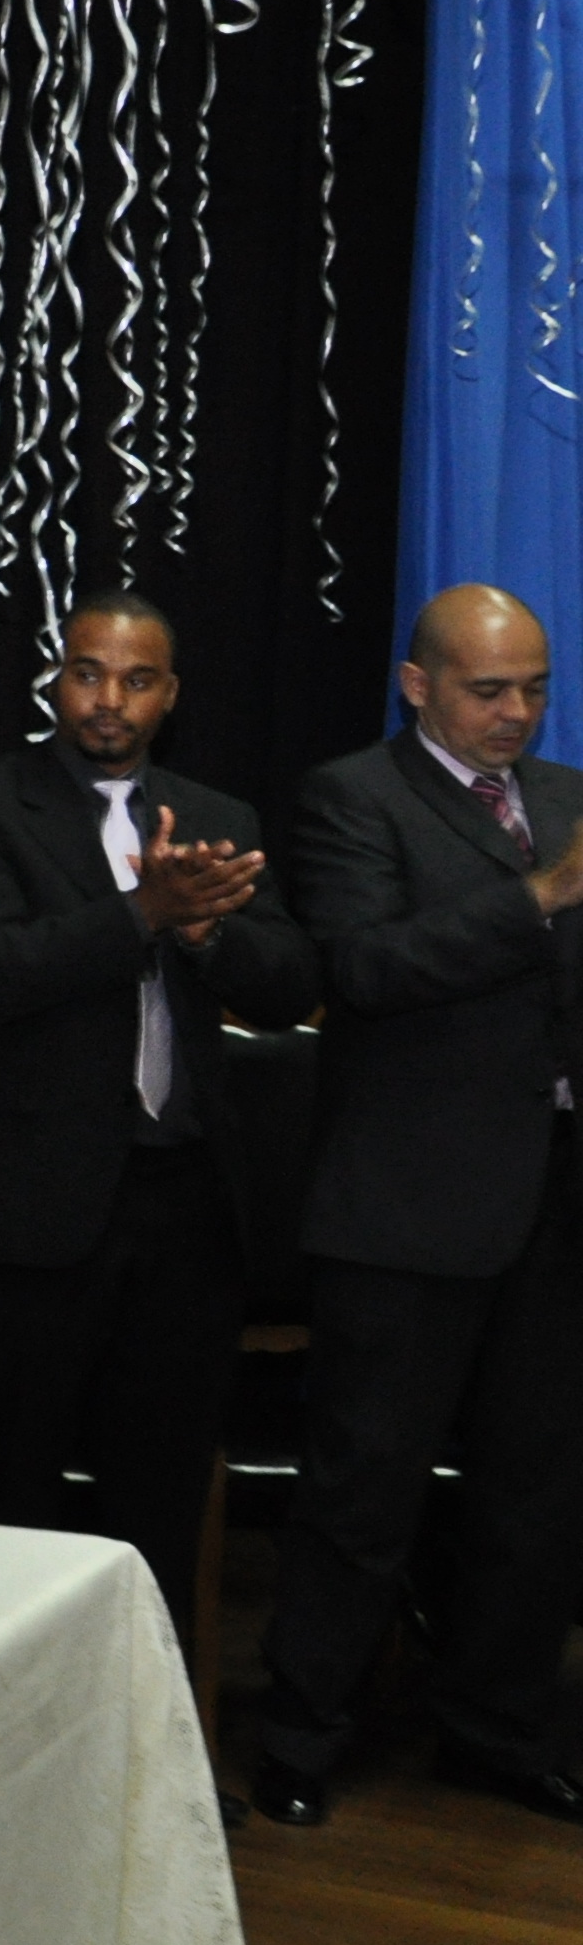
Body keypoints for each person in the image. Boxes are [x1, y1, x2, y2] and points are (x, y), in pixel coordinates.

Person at [252, 584, 583, 1831]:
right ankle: (300, 1733)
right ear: (417, 685)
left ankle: (497, 1729)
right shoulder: (353, 798)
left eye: (533, 688)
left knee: (536, 1490)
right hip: (405, 1207)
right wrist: (539, 896)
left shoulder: (567, 798)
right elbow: (362, 967)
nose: (515, 713)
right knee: (362, 1490)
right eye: (488, 690)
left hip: (551, 1198)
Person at [0, 595, 314, 1644]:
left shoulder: (217, 816)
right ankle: (2, 1729)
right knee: (8, 1504)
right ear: (56, 681)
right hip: (32, 1214)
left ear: (168, 695)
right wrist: (144, 912)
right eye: (88, 673)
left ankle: (151, 1730)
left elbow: (288, 984)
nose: (109, 699)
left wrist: (203, 933)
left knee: (161, 1506)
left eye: (136, 680)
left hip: (187, 1208)